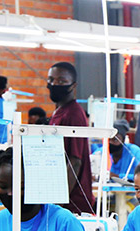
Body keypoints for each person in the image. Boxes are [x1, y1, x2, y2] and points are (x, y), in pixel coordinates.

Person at [47, 62, 95, 215]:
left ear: (73, 85)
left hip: (73, 201)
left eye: (61, 81)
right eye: (51, 80)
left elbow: (74, 161)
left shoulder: (73, 114)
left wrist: (58, 201)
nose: (54, 84)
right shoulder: (58, 113)